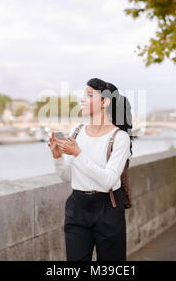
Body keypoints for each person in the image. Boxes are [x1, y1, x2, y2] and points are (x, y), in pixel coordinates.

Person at [47, 78, 134, 261]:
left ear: (105, 102)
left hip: (108, 207)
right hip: (77, 206)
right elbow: (66, 176)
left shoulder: (120, 138)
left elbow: (108, 181)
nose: (82, 99)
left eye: (89, 95)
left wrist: (78, 154)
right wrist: (57, 156)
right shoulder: (76, 132)